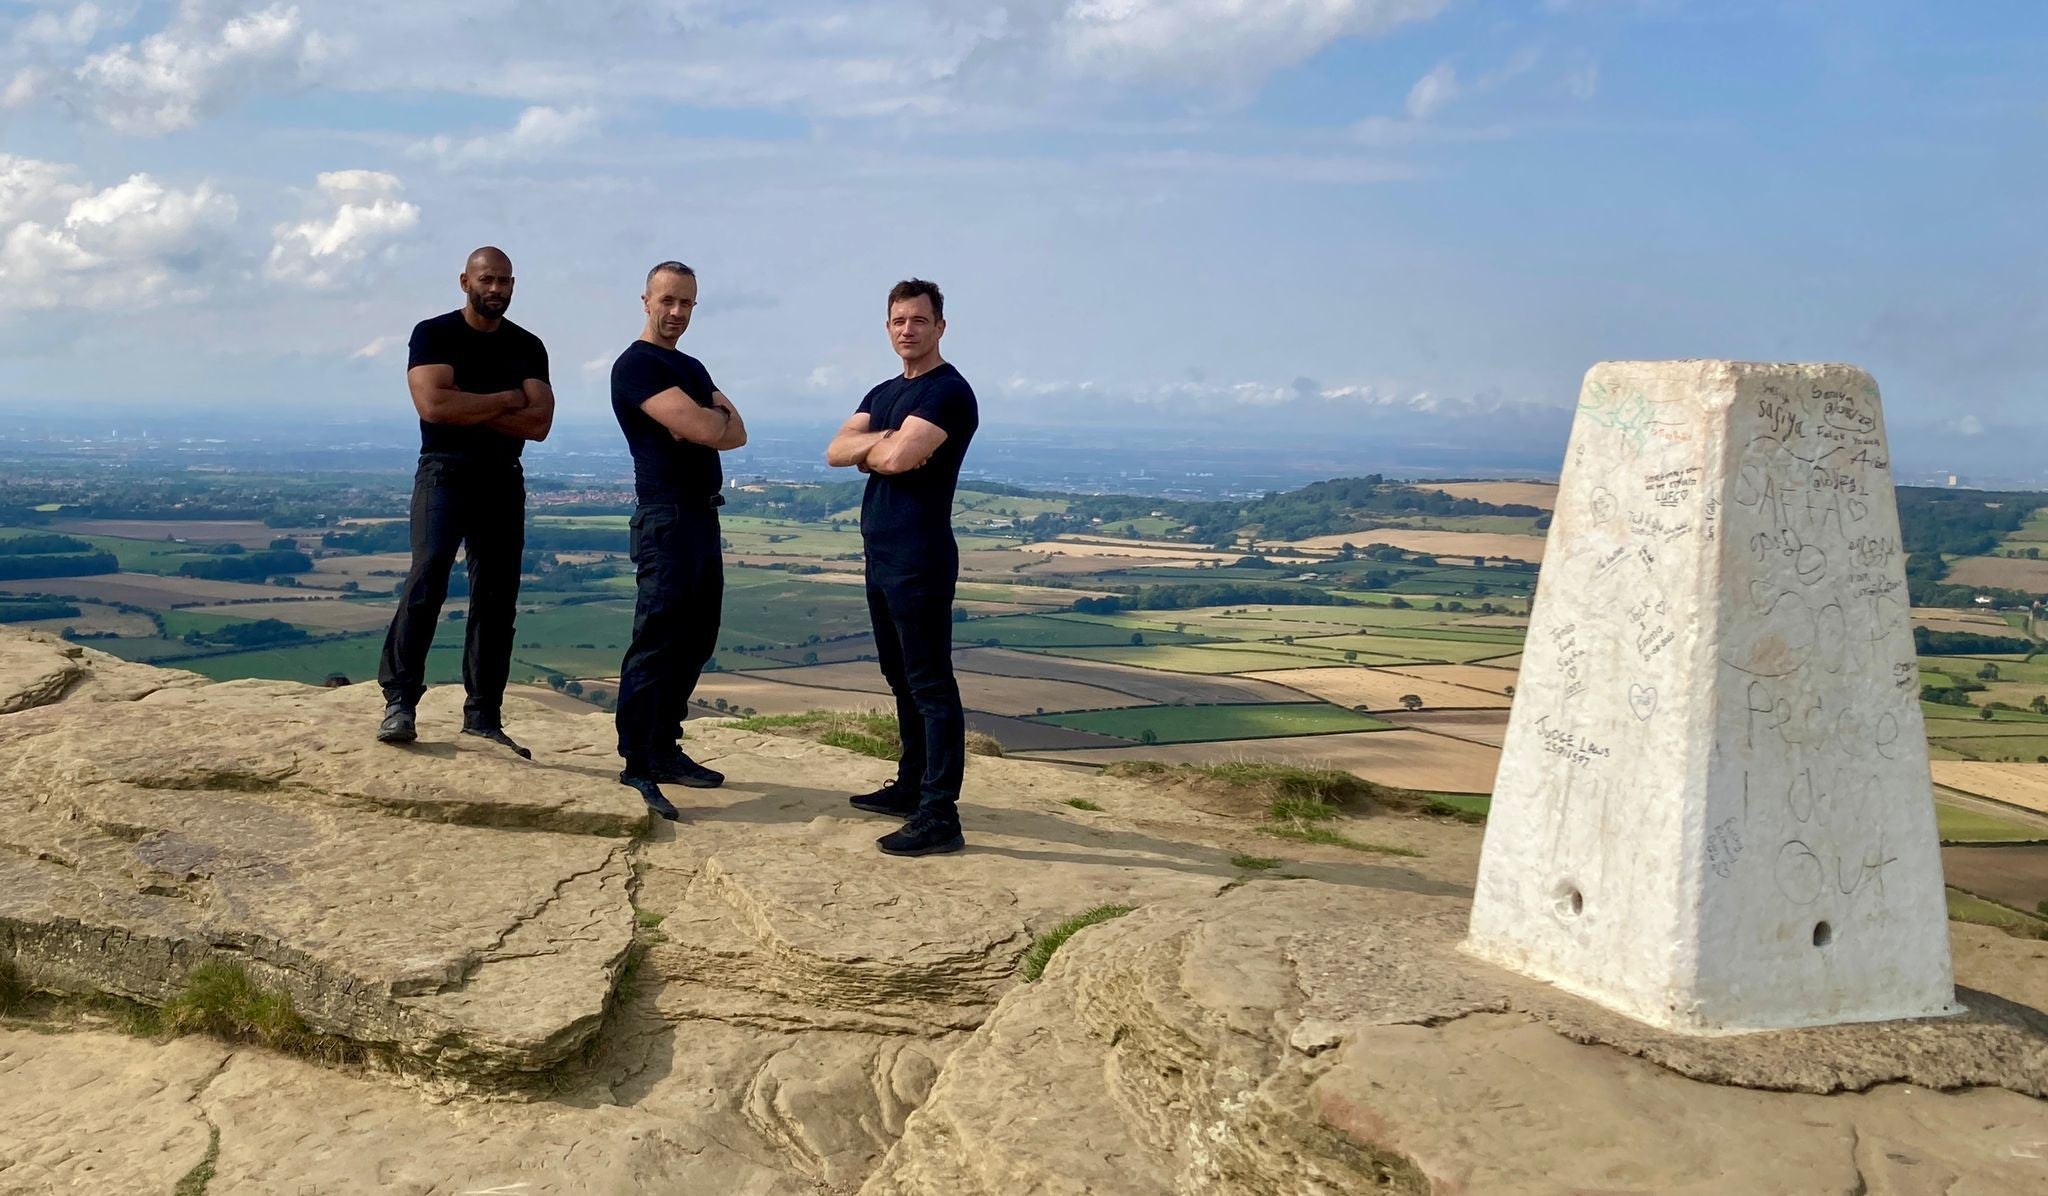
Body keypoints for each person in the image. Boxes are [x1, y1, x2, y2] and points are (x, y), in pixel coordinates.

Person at [377, 246, 553, 754]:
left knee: (497, 598)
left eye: (504, 281)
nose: (496, 289)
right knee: (427, 577)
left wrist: (465, 405)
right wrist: (504, 399)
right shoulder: (433, 334)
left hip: (503, 477)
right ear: (465, 281)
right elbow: (433, 405)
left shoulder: (528, 345)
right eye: (487, 279)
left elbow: (539, 423)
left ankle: (482, 716)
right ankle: (400, 701)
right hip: (444, 474)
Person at [825, 278, 979, 856]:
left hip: (920, 555)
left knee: (931, 683)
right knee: (900, 676)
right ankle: (912, 786)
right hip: (882, 554)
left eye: (918, 320)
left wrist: (877, 444)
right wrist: (877, 444)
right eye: (897, 321)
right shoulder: (886, 390)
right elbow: (835, 450)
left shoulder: (948, 392)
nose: (907, 330)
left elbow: (895, 456)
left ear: (940, 325)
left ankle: (941, 813)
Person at [610, 261, 748, 820]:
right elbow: (706, 427)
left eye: (687, 304)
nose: (676, 313)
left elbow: (733, 432)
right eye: (668, 300)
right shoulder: (636, 366)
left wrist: (703, 420)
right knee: (658, 639)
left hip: (701, 518)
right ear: (645, 300)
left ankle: (665, 747)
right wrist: (703, 420)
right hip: (665, 519)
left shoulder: (690, 365)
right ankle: (637, 761)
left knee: (697, 636)